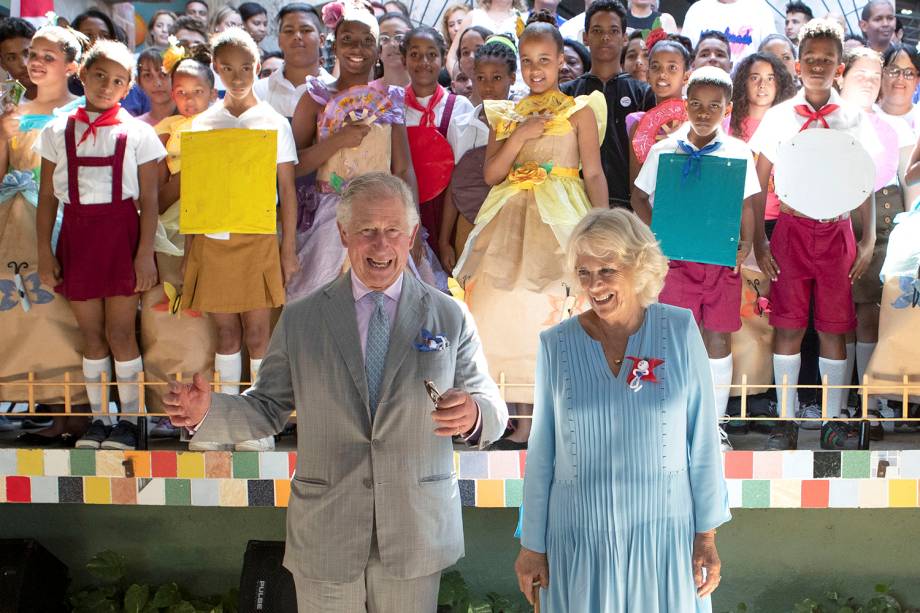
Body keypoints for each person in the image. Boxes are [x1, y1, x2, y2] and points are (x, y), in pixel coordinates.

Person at [163, 172, 507, 613]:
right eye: (366, 231)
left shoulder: (450, 316)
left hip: (416, 531)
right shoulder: (302, 318)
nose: (380, 245)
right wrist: (207, 411)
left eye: (392, 230)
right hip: (326, 533)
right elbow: (266, 407)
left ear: (411, 236)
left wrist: (474, 414)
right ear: (343, 234)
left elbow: (492, 406)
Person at [514, 207, 730, 612]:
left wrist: (707, 535)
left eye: (607, 270)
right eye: (584, 272)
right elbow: (541, 455)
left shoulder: (680, 330)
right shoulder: (555, 345)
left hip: (665, 545)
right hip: (578, 546)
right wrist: (532, 546)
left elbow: (703, 441)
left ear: (638, 266)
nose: (594, 285)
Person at [455, 14, 607, 445]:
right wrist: (520, 135)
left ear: (561, 61)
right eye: (527, 60)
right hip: (511, 218)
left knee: (556, 302)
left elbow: (594, 173)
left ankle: (557, 416)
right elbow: (492, 174)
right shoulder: (506, 114)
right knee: (500, 303)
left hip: (561, 216)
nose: (535, 69)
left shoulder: (580, 112)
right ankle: (515, 416)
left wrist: (602, 228)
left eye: (544, 59)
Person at [749, 20, 876, 450]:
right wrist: (759, 240)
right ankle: (786, 419)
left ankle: (832, 419)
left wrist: (867, 239)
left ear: (839, 67)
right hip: (791, 230)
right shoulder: (780, 117)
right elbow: (758, 180)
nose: (818, 65)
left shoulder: (853, 118)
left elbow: (864, 181)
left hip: (837, 232)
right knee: (787, 324)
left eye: (827, 59)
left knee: (833, 328)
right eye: (811, 59)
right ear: (798, 65)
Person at [35, 39, 166, 450]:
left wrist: (144, 255)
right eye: (99, 76)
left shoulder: (139, 133)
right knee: (91, 335)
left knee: (121, 333)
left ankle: (130, 420)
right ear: (82, 75)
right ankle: (99, 419)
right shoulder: (57, 130)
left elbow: (150, 201)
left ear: (128, 87)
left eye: (117, 81)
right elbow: (46, 197)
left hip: (122, 237)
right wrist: (44, 252)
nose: (107, 86)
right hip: (77, 237)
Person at [180, 28, 299, 452]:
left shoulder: (274, 122)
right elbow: (194, 194)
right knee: (225, 335)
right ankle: (220, 423)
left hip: (258, 239)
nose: (237, 76)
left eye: (246, 67)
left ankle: (256, 425)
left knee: (258, 335)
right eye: (227, 68)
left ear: (257, 67)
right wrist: (191, 252)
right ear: (215, 69)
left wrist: (288, 249)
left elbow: (287, 191)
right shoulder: (203, 124)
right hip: (213, 240)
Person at [633, 67, 761, 451]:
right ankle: (665, 422)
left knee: (717, 334)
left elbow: (746, 204)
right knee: (671, 335)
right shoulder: (664, 150)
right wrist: (659, 233)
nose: (704, 113)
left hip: (720, 260)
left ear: (728, 108)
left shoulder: (738, 152)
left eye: (714, 106)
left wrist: (746, 242)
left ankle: (713, 425)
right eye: (696, 104)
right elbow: (639, 196)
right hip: (675, 263)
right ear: (684, 104)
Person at [287, 0, 413, 301]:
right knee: (326, 302)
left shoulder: (390, 100)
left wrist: (411, 222)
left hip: (383, 217)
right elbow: (292, 166)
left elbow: (402, 168)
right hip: (329, 219)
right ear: (334, 45)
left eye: (367, 41)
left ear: (378, 49)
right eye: (347, 40)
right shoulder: (315, 97)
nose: (357, 48)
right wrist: (338, 140)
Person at [0, 21, 87, 444]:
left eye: (46, 57)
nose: (34, 63)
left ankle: (81, 409)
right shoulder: (13, 111)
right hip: (15, 222)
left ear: (71, 66)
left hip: (64, 221)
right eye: (32, 55)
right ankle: (50, 409)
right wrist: (2, 135)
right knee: (28, 316)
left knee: (66, 316)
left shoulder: (82, 110)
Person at [838, 47, 912, 420]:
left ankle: (870, 403)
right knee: (838, 316)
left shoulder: (895, 127)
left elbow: (909, 183)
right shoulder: (827, 120)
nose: (868, 81)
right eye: (860, 74)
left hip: (882, 224)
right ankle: (840, 403)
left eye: (875, 75)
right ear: (842, 75)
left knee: (870, 312)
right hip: (834, 222)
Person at [562, 0, 654, 209]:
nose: (605, 37)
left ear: (624, 37)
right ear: (585, 37)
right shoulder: (566, 93)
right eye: (597, 30)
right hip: (574, 204)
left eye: (613, 31)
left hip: (628, 206)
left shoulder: (643, 93)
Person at [440, 36, 516, 271]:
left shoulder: (524, 124)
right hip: (468, 222)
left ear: (512, 78)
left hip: (512, 226)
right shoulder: (460, 125)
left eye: (497, 78)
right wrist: (444, 240)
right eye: (481, 78)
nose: (488, 86)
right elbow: (455, 185)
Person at [403, 26, 474, 258]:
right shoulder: (393, 107)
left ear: (443, 59)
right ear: (404, 60)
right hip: (404, 208)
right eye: (415, 54)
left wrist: (445, 239)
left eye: (431, 54)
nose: (423, 61)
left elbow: (463, 173)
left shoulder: (460, 107)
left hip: (447, 211)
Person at [626, 38, 690, 188]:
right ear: (648, 75)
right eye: (655, 67)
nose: (662, 74)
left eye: (672, 67)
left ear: (686, 76)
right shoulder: (638, 124)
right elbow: (635, 186)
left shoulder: (699, 120)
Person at [254, 4, 329, 118]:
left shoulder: (336, 93)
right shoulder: (259, 91)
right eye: (289, 31)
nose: (297, 36)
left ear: (321, 40)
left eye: (306, 30)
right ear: (279, 41)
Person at [680, 0, 777, 64]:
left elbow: (771, 56)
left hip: (747, 86)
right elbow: (686, 58)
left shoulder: (761, 10)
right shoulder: (697, 10)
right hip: (704, 84)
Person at [730, 51, 796, 144]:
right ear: (743, 83)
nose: (762, 85)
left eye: (770, 79)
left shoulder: (791, 125)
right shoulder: (726, 122)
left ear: (779, 83)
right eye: (755, 78)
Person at [447, 0, 523, 74]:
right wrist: (460, 79)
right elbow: (451, 57)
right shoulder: (473, 17)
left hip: (517, 81)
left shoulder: (524, 18)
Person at [876, 43, 920, 136]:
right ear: (882, 73)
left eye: (909, 73)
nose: (900, 78)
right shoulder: (864, 116)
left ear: (917, 80)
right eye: (894, 71)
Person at [0, 18, 37, 103]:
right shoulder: (5, 104)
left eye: (28, 53)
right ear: (3, 64)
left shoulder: (65, 96)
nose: (24, 64)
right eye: (11, 58)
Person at [135, 49, 175, 126]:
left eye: (164, 74)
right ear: (139, 82)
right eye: (147, 75)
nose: (157, 83)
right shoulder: (135, 127)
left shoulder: (193, 122)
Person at [455, 26, 493, 105]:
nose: (471, 57)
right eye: (465, 52)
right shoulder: (459, 108)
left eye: (479, 50)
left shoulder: (514, 104)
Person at [374, 12, 413, 88]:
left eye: (399, 37)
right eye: (384, 38)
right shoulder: (365, 92)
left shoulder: (429, 91)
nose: (392, 44)